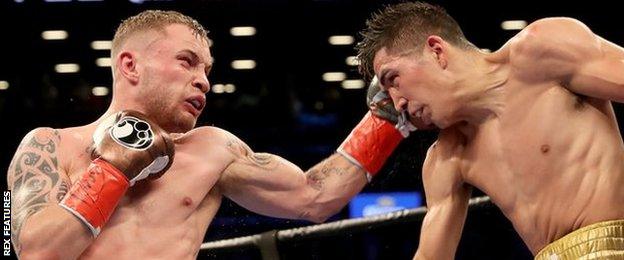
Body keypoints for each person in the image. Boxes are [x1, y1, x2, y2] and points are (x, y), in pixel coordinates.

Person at [7, 10, 408, 259]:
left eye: (207, 71)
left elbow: (315, 197)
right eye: (187, 62)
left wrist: (385, 120)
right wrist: (112, 170)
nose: (203, 82)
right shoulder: (47, 145)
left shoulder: (213, 151)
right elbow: (36, 251)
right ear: (130, 66)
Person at [357, 2, 624, 259]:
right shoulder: (447, 157)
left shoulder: (540, 52)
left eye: (393, 79)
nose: (397, 103)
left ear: (436, 51)